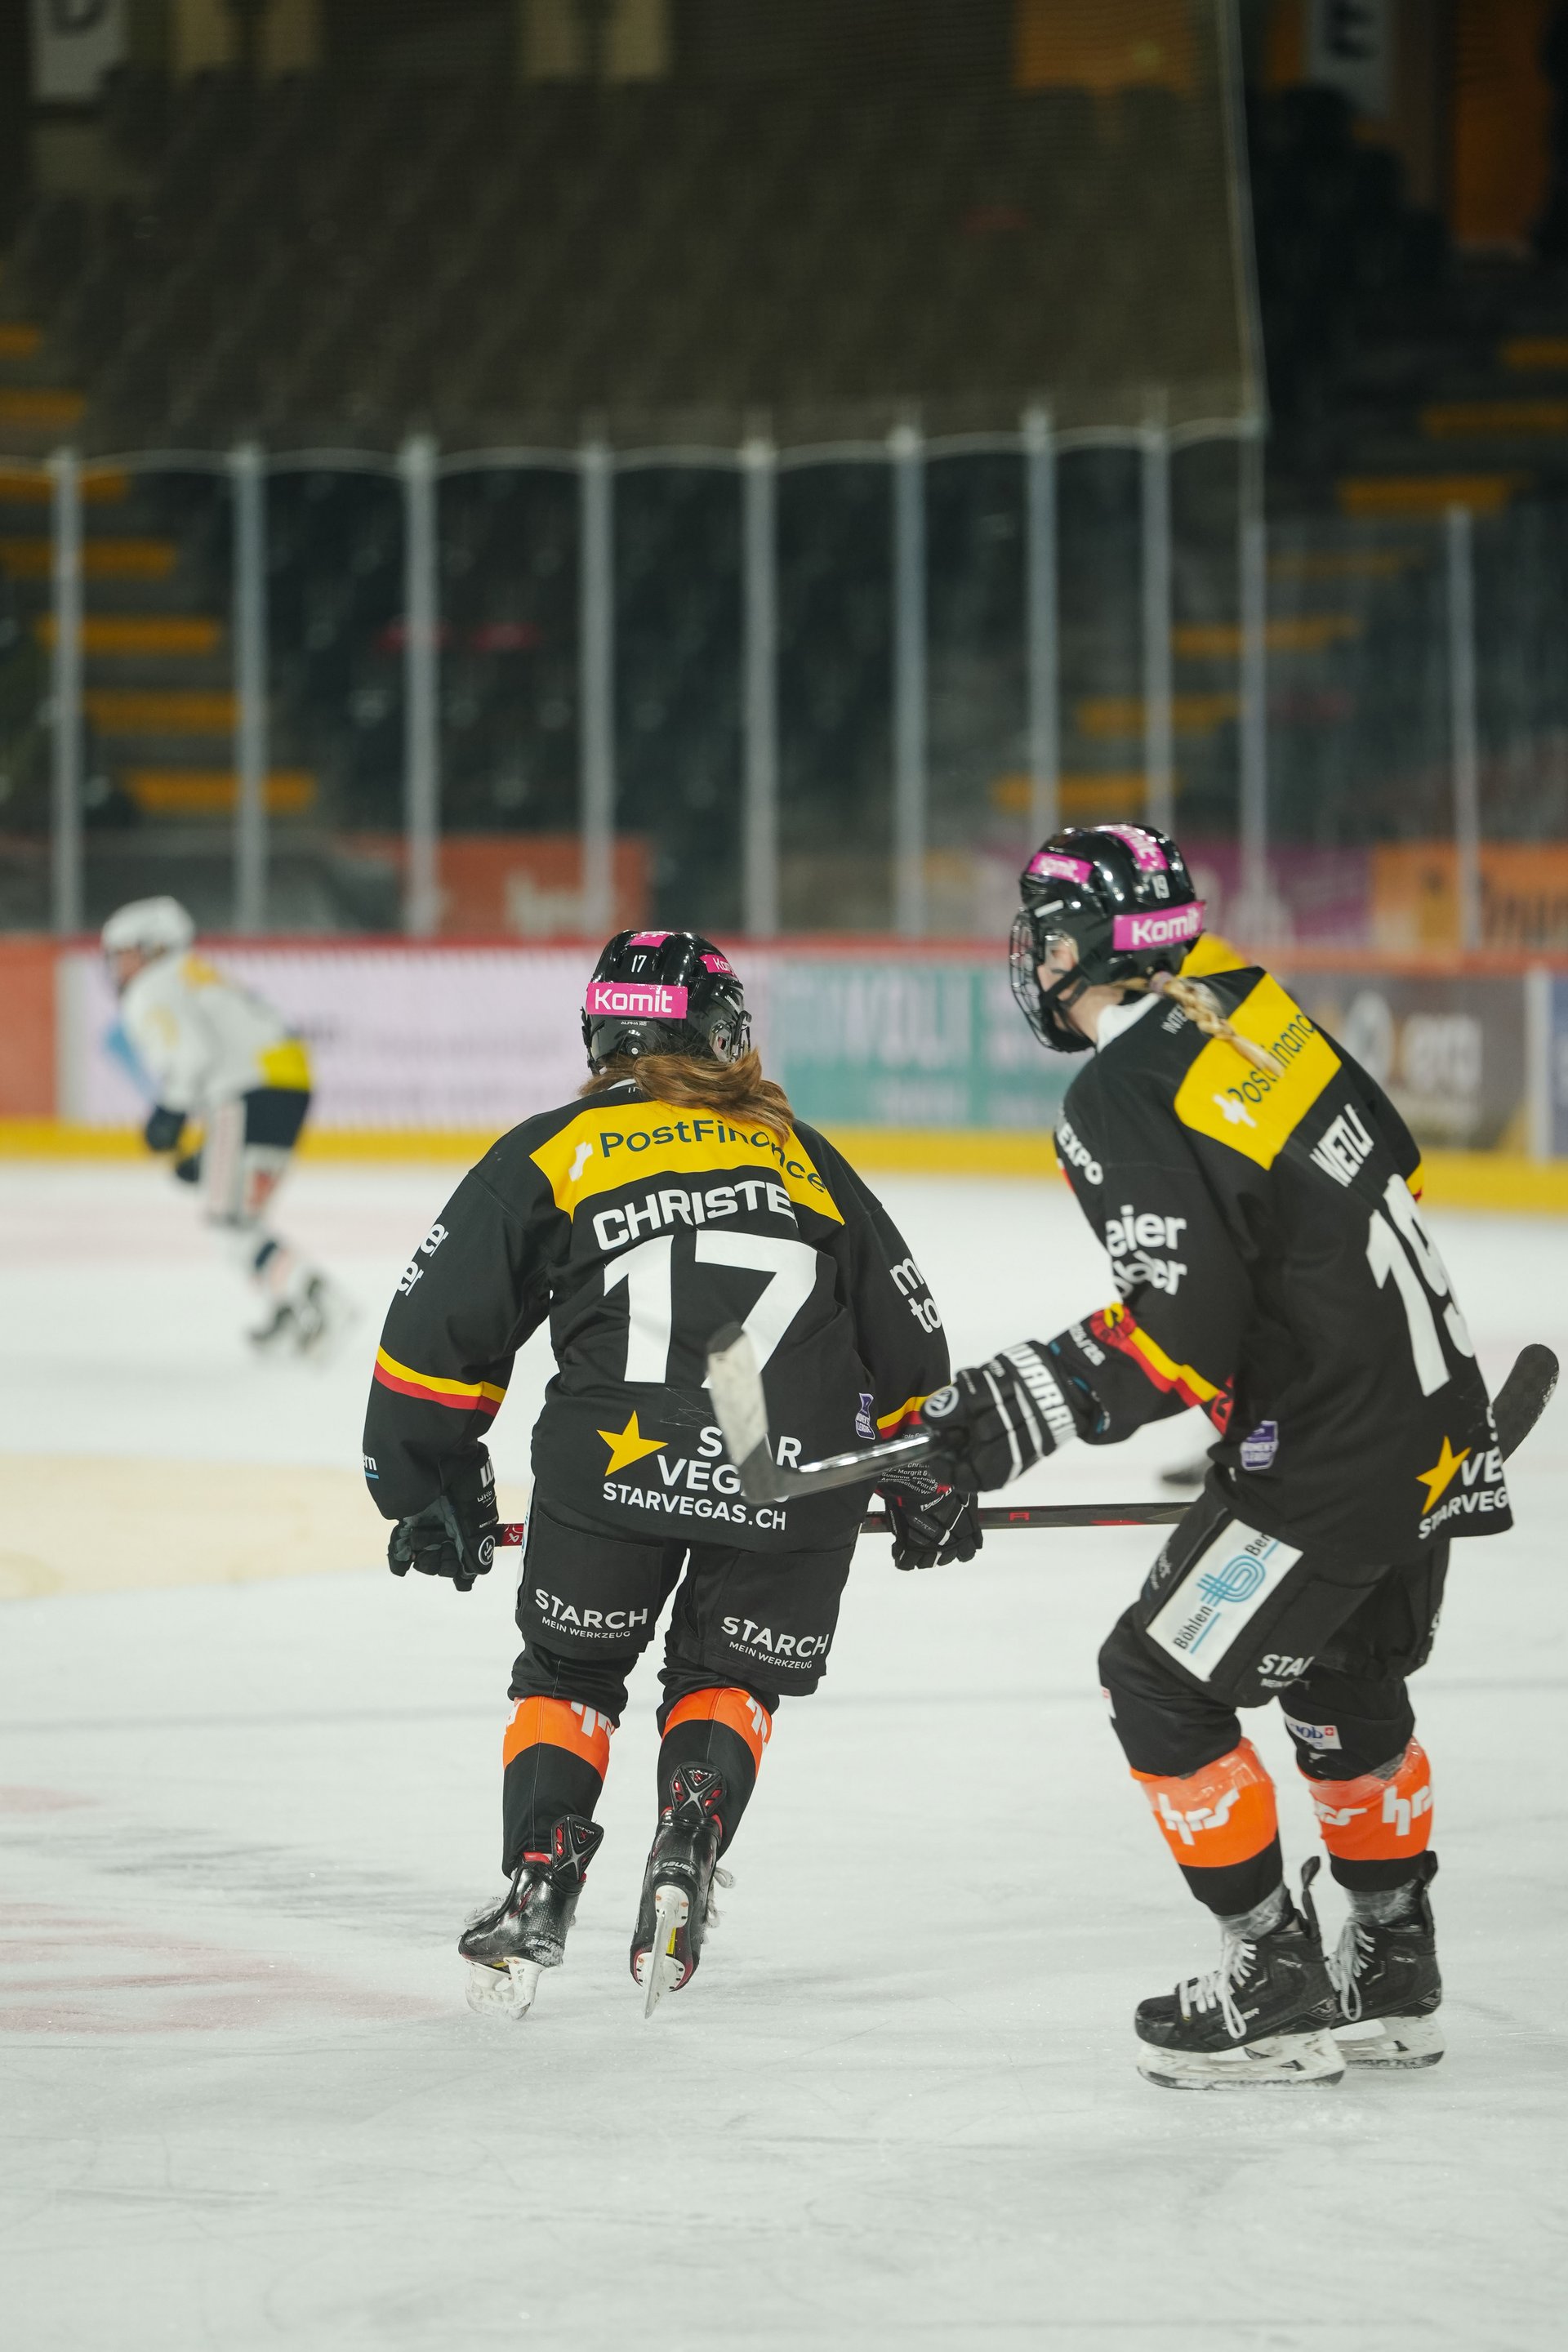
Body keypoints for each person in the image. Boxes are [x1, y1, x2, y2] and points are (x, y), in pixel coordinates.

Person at [917, 824, 1508, 2088]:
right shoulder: (1254, 1007)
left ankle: (1272, 1980)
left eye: (1043, 933)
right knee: (1344, 1680)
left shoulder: (1119, 1092)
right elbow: (1385, 1177)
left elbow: (1181, 1329)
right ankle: (1391, 1966)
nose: (1032, 956)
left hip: (1333, 1456)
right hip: (1433, 1419)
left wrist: (1003, 1416)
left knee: (1157, 1682)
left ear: (1076, 946)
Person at [362, 927, 978, 2019]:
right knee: (726, 1677)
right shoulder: (799, 1153)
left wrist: (422, 1481)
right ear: (724, 1035)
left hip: (616, 1466)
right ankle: (688, 1836)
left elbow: (437, 1334)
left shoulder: (554, 1150)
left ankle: (542, 1874)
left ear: (602, 1036)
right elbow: (905, 1324)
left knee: (569, 1673)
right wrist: (930, 1462)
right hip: (796, 1473)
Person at [102, 895, 345, 1356]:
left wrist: (170, 1114)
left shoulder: (152, 986)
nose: (116, 966)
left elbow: (194, 1058)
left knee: (228, 1223)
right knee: (240, 1217)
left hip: (246, 1094)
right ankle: (288, 1303)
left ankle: (316, 1298)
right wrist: (210, 1149)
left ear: (154, 947)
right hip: (284, 1087)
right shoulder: (192, 972)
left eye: (124, 953)